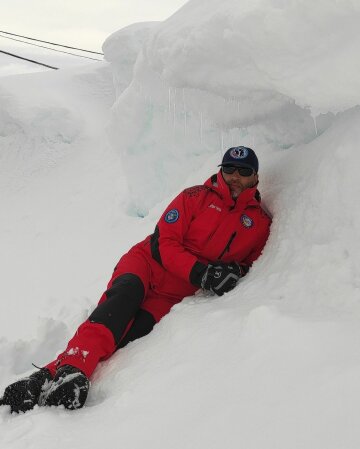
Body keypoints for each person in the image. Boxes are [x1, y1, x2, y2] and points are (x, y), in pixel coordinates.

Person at [0, 146, 271, 413]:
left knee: (125, 336)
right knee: (117, 308)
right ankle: (73, 370)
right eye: (229, 169)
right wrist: (202, 273)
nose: (234, 176)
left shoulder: (258, 223)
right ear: (221, 171)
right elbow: (165, 241)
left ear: (255, 177)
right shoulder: (193, 197)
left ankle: (42, 379)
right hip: (146, 264)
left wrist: (231, 275)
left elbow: (250, 264)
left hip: (173, 295)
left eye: (243, 171)